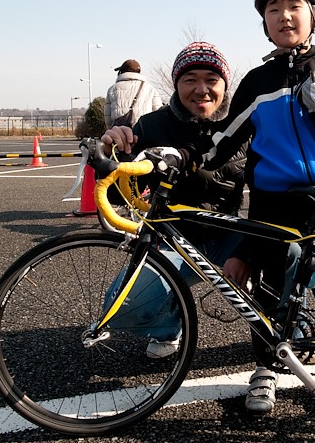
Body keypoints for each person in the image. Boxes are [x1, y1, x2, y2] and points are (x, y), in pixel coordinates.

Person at [147, 0, 315, 414]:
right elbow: (221, 140)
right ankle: (266, 368)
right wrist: (180, 156)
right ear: (264, 21)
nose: (284, 16)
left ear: (314, 17)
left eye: (294, 7)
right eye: (274, 9)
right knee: (266, 292)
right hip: (270, 201)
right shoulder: (257, 82)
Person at [100, 42, 248, 359]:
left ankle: (291, 327)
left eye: (211, 79)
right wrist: (112, 153)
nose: (201, 89)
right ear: (176, 83)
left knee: (289, 252)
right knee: (121, 308)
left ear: (225, 84)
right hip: (173, 239)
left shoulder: (244, 125)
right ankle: (168, 326)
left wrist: (250, 254)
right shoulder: (152, 126)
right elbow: (115, 193)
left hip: (229, 233)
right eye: (190, 79)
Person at [104, 59, 163, 129]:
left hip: (121, 132)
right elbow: (158, 111)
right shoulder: (149, 88)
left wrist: (111, 129)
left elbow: (108, 116)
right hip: (144, 131)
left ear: (122, 72)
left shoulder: (112, 89)